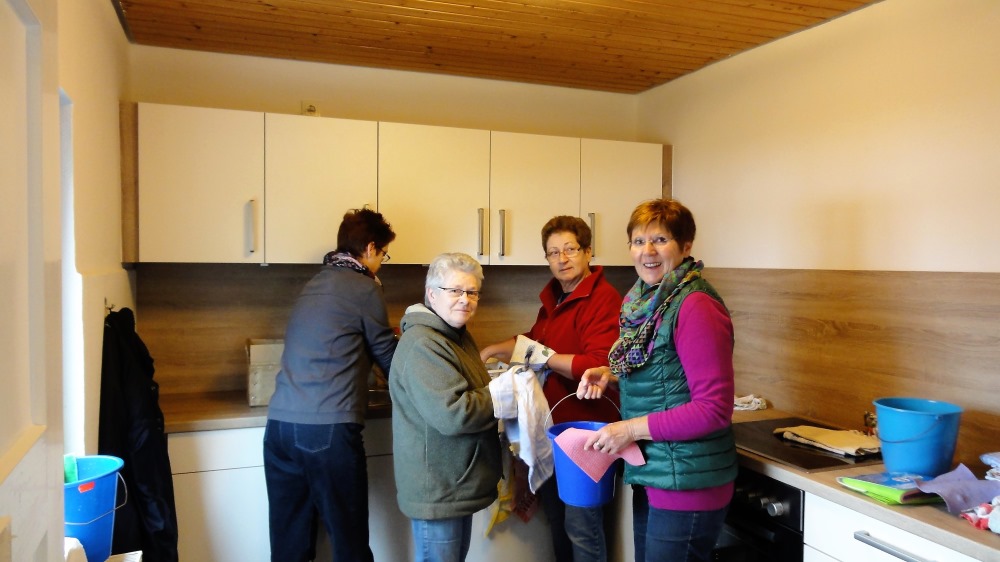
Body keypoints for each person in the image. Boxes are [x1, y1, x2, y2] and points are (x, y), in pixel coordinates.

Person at [576, 199, 737, 562]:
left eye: (660, 240)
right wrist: (612, 376)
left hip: (688, 482)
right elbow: (666, 378)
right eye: (638, 241)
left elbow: (713, 409)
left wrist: (629, 429)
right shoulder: (648, 302)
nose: (647, 251)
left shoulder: (695, 306)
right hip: (658, 472)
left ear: (686, 245)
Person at [480, 215, 622, 562]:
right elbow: (533, 342)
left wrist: (544, 356)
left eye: (570, 249)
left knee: (583, 528)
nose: (562, 258)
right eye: (553, 252)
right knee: (559, 521)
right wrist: (491, 349)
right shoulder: (556, 298)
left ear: (588, 251)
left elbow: (596, 364)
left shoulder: (602, 299)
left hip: (589, 434)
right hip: (557, 431)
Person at [263, 207, 398, 562]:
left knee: (290, 546)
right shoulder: (365, 288)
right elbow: (388, 357)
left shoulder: (314, 284)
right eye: (383, 254)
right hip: (326, 430)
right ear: (370, 248)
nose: (381, 262)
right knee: (349, 543)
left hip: (279, 429)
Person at [389, 253, 501, 562]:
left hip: (455, 484)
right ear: (432, 294)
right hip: (439, 490)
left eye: (472, 292)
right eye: (455, 290)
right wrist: (504, 394)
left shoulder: (456, 336)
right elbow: (455, 414)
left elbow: (474, 390)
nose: (465, 299)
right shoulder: (424, 344)